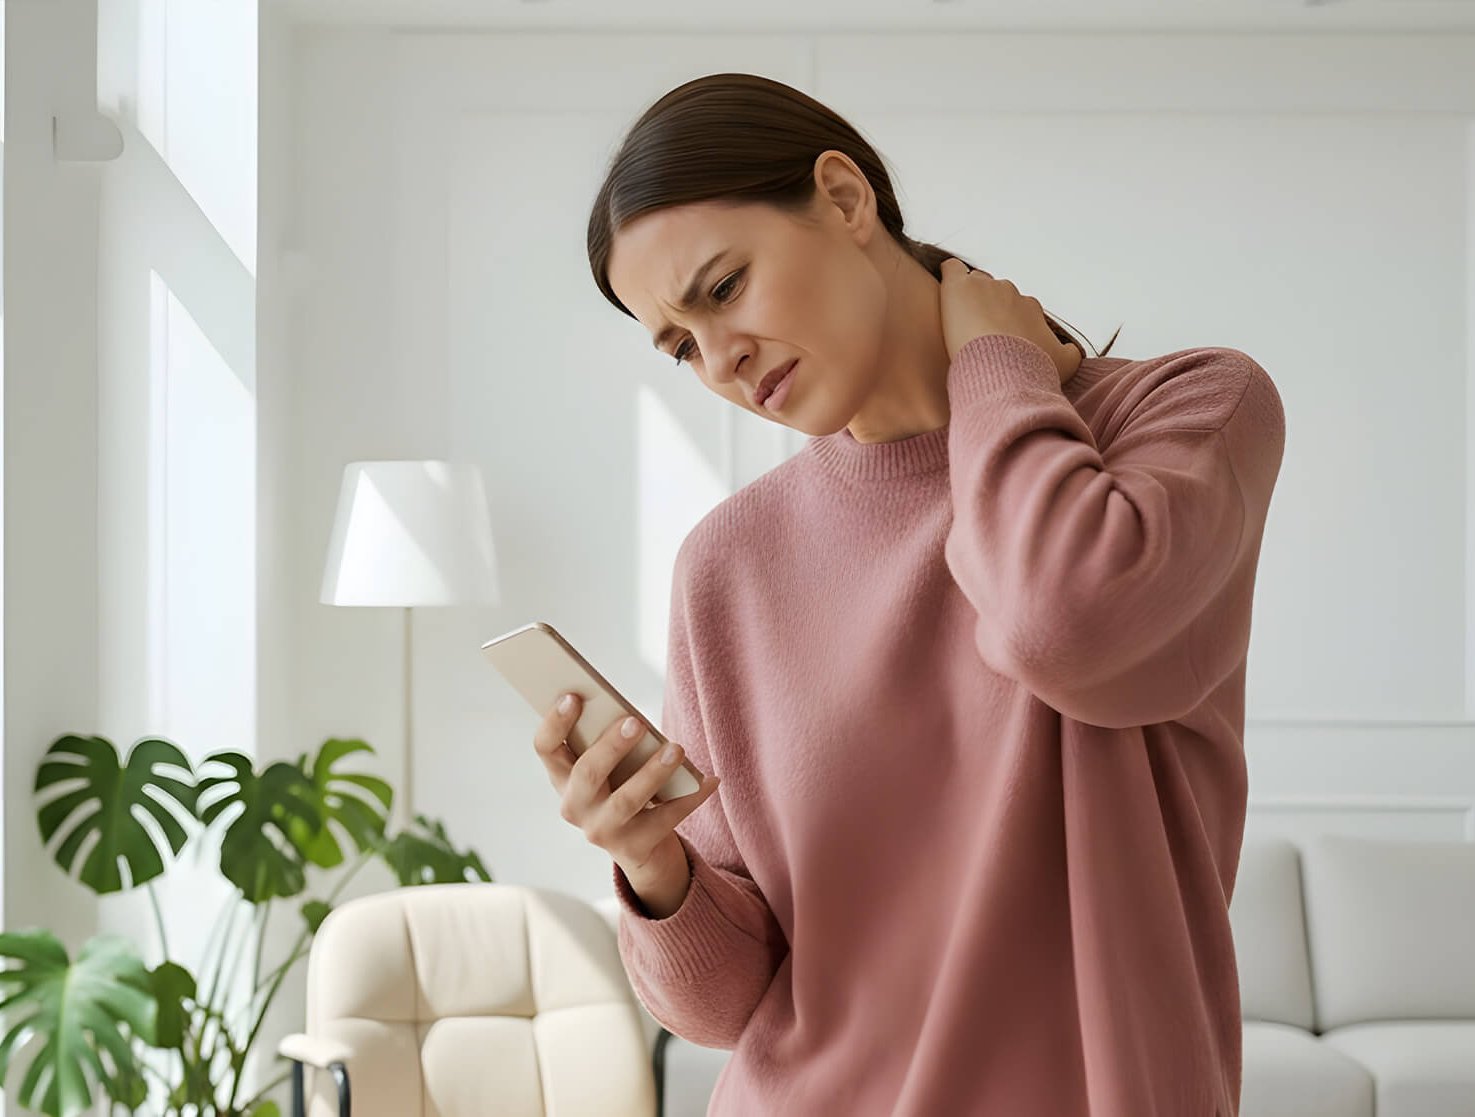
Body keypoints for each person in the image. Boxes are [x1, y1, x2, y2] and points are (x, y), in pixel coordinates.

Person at [531, 71, 1286, 1116]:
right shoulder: (726, 564)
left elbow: (1062, 621)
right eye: (678, 346)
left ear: (843, 199)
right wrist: (649, 866)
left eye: (721, 288)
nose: (719, 358)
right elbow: (722, 1005)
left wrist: (997, 367)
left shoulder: (1183, 414)